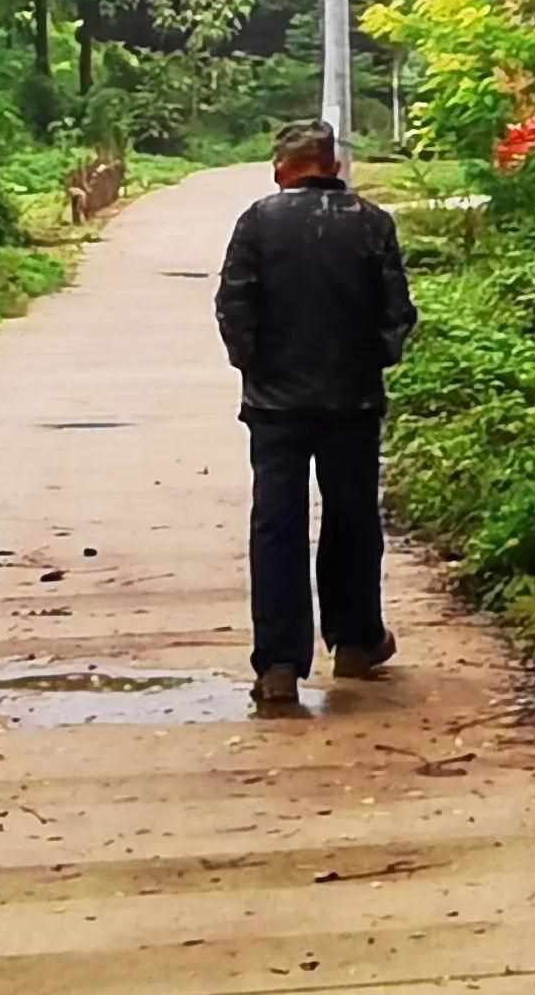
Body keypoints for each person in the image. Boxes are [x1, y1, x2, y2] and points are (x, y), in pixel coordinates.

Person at [214, 119, 418, 708]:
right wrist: (372, 360)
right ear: (333, 165)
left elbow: (233, 306)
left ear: (282, 168)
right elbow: (397, 313)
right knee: (353, 518)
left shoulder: (257, 221)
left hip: (276, 407)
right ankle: (355, 641)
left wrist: (254, 366)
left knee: (276, 526)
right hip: (352, 401)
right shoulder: (372, 223)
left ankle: (279, 665)